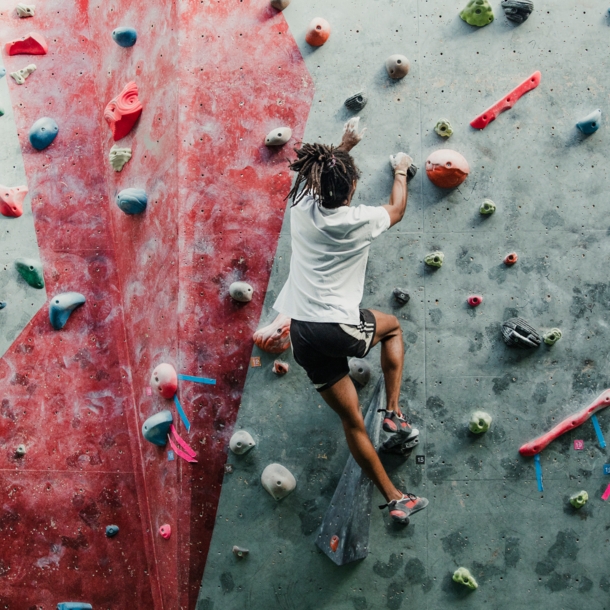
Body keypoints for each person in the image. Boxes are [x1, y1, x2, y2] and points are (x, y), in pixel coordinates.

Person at [272, 118, 428, 525]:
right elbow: (396, 208)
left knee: (351, 420)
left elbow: (317, 175)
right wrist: (400, 169)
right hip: (336, 327)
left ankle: (396, 499)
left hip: (303, 332)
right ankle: (392, 412)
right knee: (392, 326)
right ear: (353, 189)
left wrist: (344, 144)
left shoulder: (301, 207)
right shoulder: (358, 220)